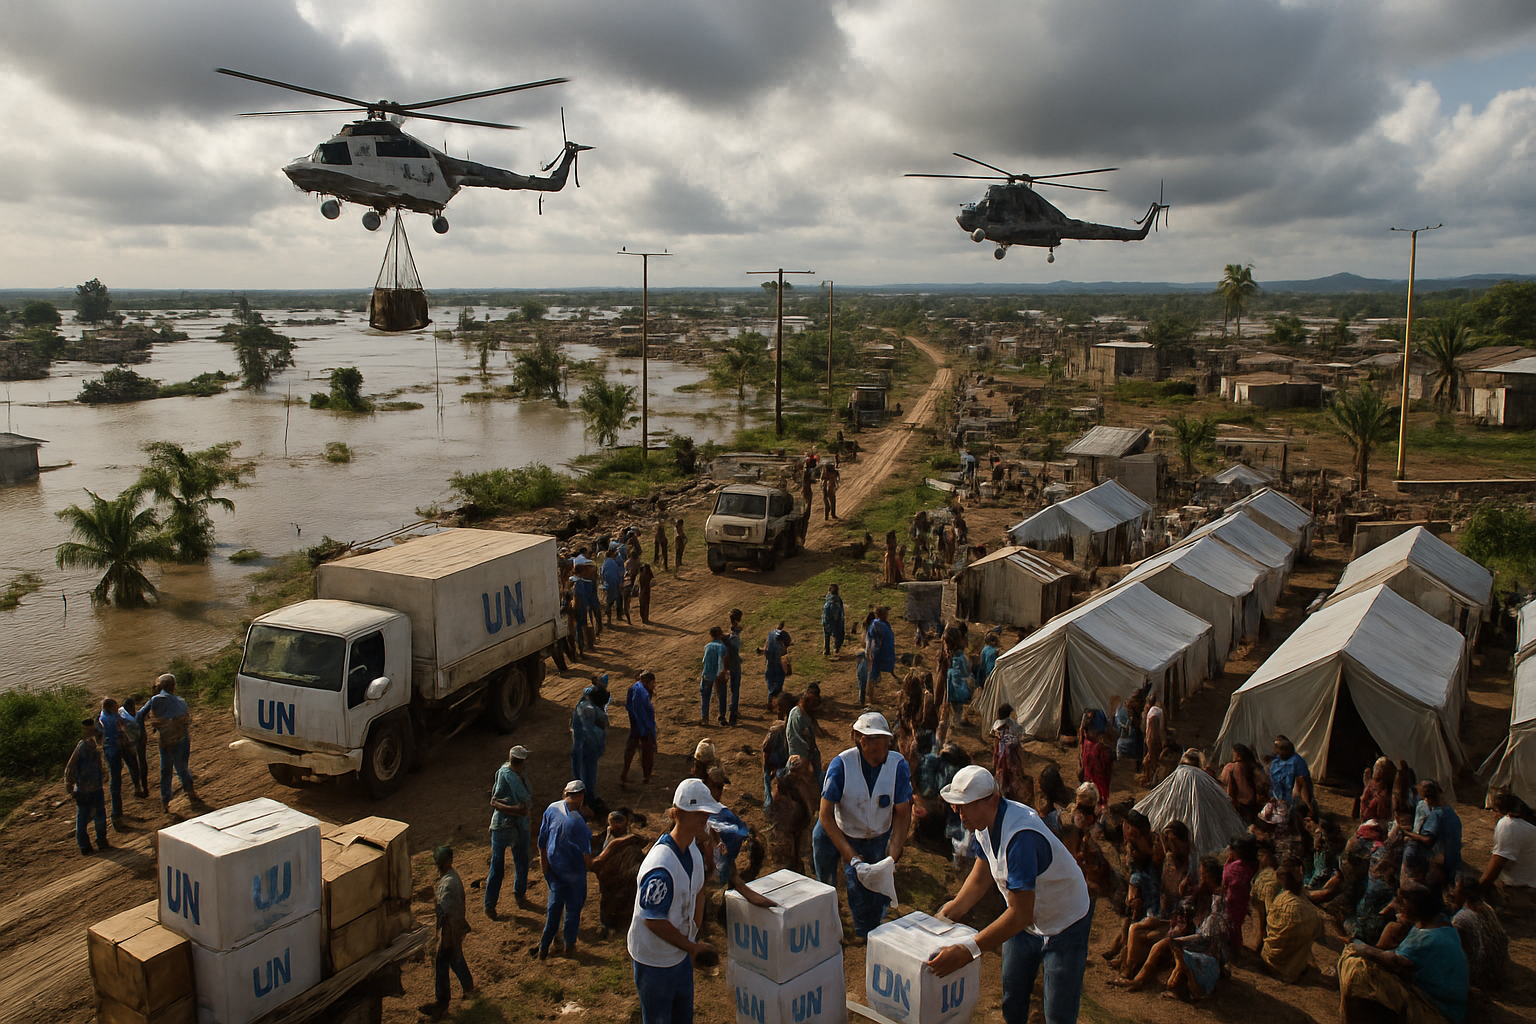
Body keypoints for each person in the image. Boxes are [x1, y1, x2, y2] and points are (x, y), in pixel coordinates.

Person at [926, 765, 1092, 1024]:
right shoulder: (984, 823)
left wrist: (968, 950)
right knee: (1013, 996)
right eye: (956, 806)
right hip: (1027, 920)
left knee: (1058, 1011)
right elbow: (982, 877)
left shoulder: (1020, 838)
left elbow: (1020, 913)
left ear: (991, 800)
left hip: (1064, 920)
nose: (959, 814)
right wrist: (951, 911)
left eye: (964, 805)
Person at [629, 778, 774, 1024]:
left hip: (680, 953)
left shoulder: (693, 851)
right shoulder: (661, 867)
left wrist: (693, 934)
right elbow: (652, 920)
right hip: (654, 962)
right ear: (677, 814)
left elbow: (699, 890)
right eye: (699, 813)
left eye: (707, 812)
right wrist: (692, 947)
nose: (705, 818)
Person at [812, 713, 913, 938]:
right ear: (862, 742)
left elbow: (903, 812)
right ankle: (827, 917)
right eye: (877, 750)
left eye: (886, 748)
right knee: (826, 880)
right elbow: (826, 815)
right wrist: (848, 852)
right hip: (837, 829)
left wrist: (895, 851)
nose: (883, 755)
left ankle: (867, 932)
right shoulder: (842, 765)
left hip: (875, 834)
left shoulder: (897, 765)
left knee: (868, 885)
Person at [1337, 882, 1468, 1024]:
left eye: (1401, 902)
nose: (1399, 906)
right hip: (1450, 1007)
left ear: (1411, 904)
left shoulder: (1426, 939)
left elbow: (1393, 961)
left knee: (1358, 968)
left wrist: (1356, 944)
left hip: (1436, 1011)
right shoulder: (1443, 923)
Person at [537, 780, 596, 959]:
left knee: (554, 907)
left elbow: (542, 839)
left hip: (553, 867)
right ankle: (569, 945)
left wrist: (544, 864)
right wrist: (590, 866)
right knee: (573, 907)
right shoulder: (578, 824)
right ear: (581, 797)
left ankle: (544, 946)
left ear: (565, 794)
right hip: (574, 871)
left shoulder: (552, 808)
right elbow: (587, 856)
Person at [421, 846, 473, 1019]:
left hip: (451, 929)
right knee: (455, 958)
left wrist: (443, 937)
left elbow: (446, 912)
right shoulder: (452, 878)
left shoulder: (448, 884)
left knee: (442, 963)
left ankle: (442, 1003)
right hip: (456, 927)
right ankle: (469, 988)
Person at [485, 745, 533, 919]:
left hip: (520, 826)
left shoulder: (518, 774)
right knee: (498, 867)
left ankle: (519, 895)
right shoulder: (506, 774)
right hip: (505, 826)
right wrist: (515, 810)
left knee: (521, 863)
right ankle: (490, 905)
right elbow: (494, 801)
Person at [135, 673, 194, 813]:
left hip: (166, 740)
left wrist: (141, 733)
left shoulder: (155, 700)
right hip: (182, 738)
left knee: (166, 770)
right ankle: (190, 792)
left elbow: (139, 716)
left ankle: (166, 801)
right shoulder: (181, 701)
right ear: (174, 687)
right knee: (182, 767)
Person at [1261, 862, 1323, 983]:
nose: (1302, 874)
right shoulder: (1304, 909)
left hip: (1270, 957)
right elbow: (1316, 931)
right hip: (1290, 968)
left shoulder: (1280, 899)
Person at [591, 810, 648, 940]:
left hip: (624, 877)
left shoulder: (633, 841)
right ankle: (606, 925)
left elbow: (644, 842)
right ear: (608, 822)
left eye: (620, 819)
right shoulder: (605, 837)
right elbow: (596, 860)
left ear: (626, 822)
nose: (617, 823)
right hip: (608, 878)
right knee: (607, 901)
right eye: (614, 820)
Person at [1449, 875, 1508, 993]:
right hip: (1501, 969)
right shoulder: (1487, 908)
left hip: (1481, 975)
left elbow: (1456, 950)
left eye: (1456, 890)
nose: (1452, 892)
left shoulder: (1461, 918)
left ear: (1463, 895)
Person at [1406, 779, 1462, 889]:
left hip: (1442, 861)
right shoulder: (1449, 810)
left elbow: (1428, 840)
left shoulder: (1436, 815)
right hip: (1454, 857)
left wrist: (1407, 834)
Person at [65, 718, 109, 856]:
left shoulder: (93, 745)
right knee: (86, 817)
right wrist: (69, 786)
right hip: (84, 789)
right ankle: (87, 845)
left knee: (96, 815)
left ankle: (98, 842)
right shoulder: (82, 747)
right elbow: (70, 767)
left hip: (94, 787)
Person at [1481, 791, 1536, 898]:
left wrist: (1479, 889)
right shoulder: (1527, 822)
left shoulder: (1508, 825)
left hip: (1522, 887)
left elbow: (1497, 865)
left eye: (1493, 810)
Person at [569, 681, 610, 807]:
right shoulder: (589, 710)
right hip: (587, 745)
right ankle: (587, 798)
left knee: (580, 768)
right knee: (588, 772)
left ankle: (583, 793)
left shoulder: (585, 702)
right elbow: (591, 731)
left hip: (580, 743)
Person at [97, 698, 134, 828]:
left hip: (112, 750)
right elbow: (121, 728)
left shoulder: (106, 716)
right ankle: (116, 815)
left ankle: (118, 813)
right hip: (114, 751)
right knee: (116, 781)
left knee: (118, 779)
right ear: (111, 707)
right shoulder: (109, 720)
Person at [621, 671, 658, 786]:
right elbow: (640, 712)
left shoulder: (635, 688)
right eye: (653, 683)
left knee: (630, 749)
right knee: (647, 752)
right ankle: (646, 777)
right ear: (648, 682)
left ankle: (625, 773)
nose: (654, 685)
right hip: (642, 726)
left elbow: (630, 707)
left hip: (636, 724)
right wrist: (646, 728)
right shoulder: (641, 693)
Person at [1268, 735, 1315, 817]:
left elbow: (1303, 784)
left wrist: (1308, 805)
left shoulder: (1298, 762)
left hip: (1291, 802)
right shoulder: (1275, 761)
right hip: (1276, 800)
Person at [786, 685, 825, 781]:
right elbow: (802, 736)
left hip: (803, 749)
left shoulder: (803, 714)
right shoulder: (798, 715)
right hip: (798, 750)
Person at [762, 694, 794, 808]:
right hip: (776, 762)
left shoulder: (779, 733)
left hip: (781, 762)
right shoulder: (777, 734)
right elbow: (766, 753)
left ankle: (770, 805)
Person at [1220, 744, 1266, 821]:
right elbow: (1262, 783)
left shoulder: (1231, 767)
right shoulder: (1252, 765)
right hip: (1251, 801)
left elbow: (1223, 781)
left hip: (1236, 801)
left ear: (1237, 754)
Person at [864, 605, 896, 707]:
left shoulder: (883, 623)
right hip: (877, 650)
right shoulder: (876, 624)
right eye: (884, 613)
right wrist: (869, 652)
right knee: (873, 671)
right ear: (879, 615)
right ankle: (870, 697)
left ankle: (872, 689)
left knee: (876, 671)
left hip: (883, 649)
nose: (886, 615)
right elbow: (869, 639)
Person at [119, 697, 148, 799]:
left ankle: (143, 786)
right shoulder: (121, 715)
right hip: (128, 744)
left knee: (141, 763)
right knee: (134, 766)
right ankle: (138, 787)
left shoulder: (134, 715)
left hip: (137, 741)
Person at [700, 626, 729, 726]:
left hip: (707, 673)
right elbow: (723, 660)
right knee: (721, 695)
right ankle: (722, 717)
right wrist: (724, 673)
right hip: (719, 674)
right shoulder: (722, 647)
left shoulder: (707, 646)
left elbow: (704, 661)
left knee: (705, 696)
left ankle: (705, 718)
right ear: (721, 634)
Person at [1358, 757, 1397, 824]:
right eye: (1376, 768)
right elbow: (1364, 801)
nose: (1376, 770)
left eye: (1378, 768)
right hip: (1370, 819)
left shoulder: (1388, 788)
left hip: (1381, 821)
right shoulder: (1371, 784)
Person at [761, 622, 790, 709]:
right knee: (779, 681)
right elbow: (785, 648)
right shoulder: (784, 635)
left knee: (770, 680)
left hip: (770, 661)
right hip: (778, 662)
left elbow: (766, 647)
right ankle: (777, 701)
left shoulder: (770, 633)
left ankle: (770, 699)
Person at [725, 609, 744, 726]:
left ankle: (732, 711)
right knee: (735, 690)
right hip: (734, 664)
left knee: (731, 690)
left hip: (729, 664)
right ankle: (733, 715)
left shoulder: (728, 635)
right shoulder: (734, 637)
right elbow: (734, 648)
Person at [600, 544, 625, 625]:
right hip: (616, 584)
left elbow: (602, 574)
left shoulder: (605, 564)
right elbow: (618, 574)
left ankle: (609, 620)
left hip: (608, 586)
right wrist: (620, 583)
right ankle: (619, 616)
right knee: (618, 600)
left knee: (608, 604)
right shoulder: (614, 563)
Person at [822, 584, 845, 657]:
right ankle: (836, 648)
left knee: (826, 634)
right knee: (840, 635)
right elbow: (837, 612)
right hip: (836, 621)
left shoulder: (828, 598)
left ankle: (826, 649)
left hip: (826, 620)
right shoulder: (837, 600)